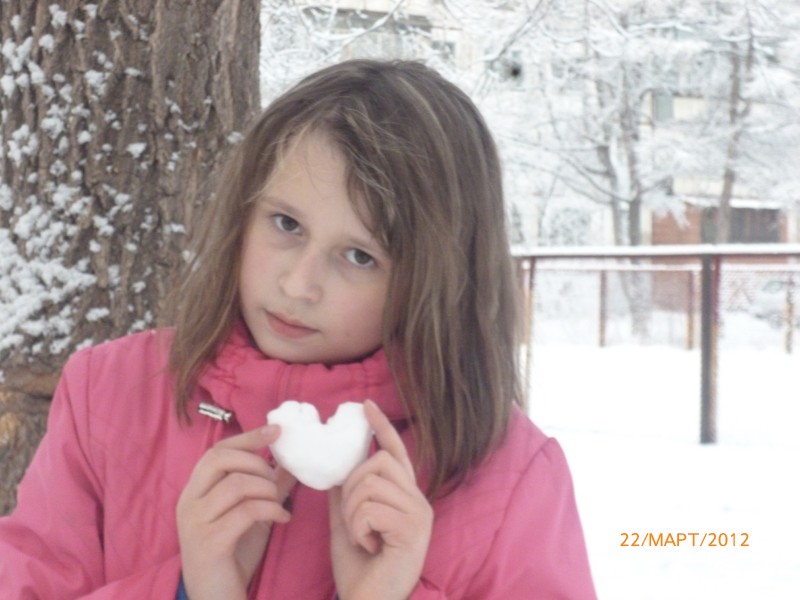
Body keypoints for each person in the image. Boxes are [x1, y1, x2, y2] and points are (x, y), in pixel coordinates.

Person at [0, 59, 596, 599]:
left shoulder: (507, 475)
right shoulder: (112, 393)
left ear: (434, 282)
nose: (298, 284)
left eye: (359, 256)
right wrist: (188, 591)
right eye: (286, 223)